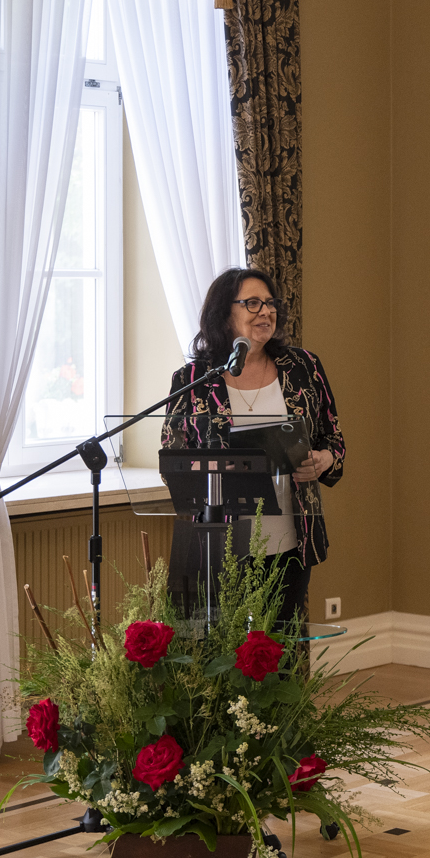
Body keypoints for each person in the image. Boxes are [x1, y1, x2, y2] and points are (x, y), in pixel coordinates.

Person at [164, 267, 345, 630]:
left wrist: (324, 459)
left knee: (279, 650)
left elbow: (334, 439)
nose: (265, 311)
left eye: (270, 303)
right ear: (223, 314)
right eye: (252, 303)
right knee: (220, 652)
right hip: (218, 543)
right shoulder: (194, 379)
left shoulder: (303, 367)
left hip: (292, 541)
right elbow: (173, 459)